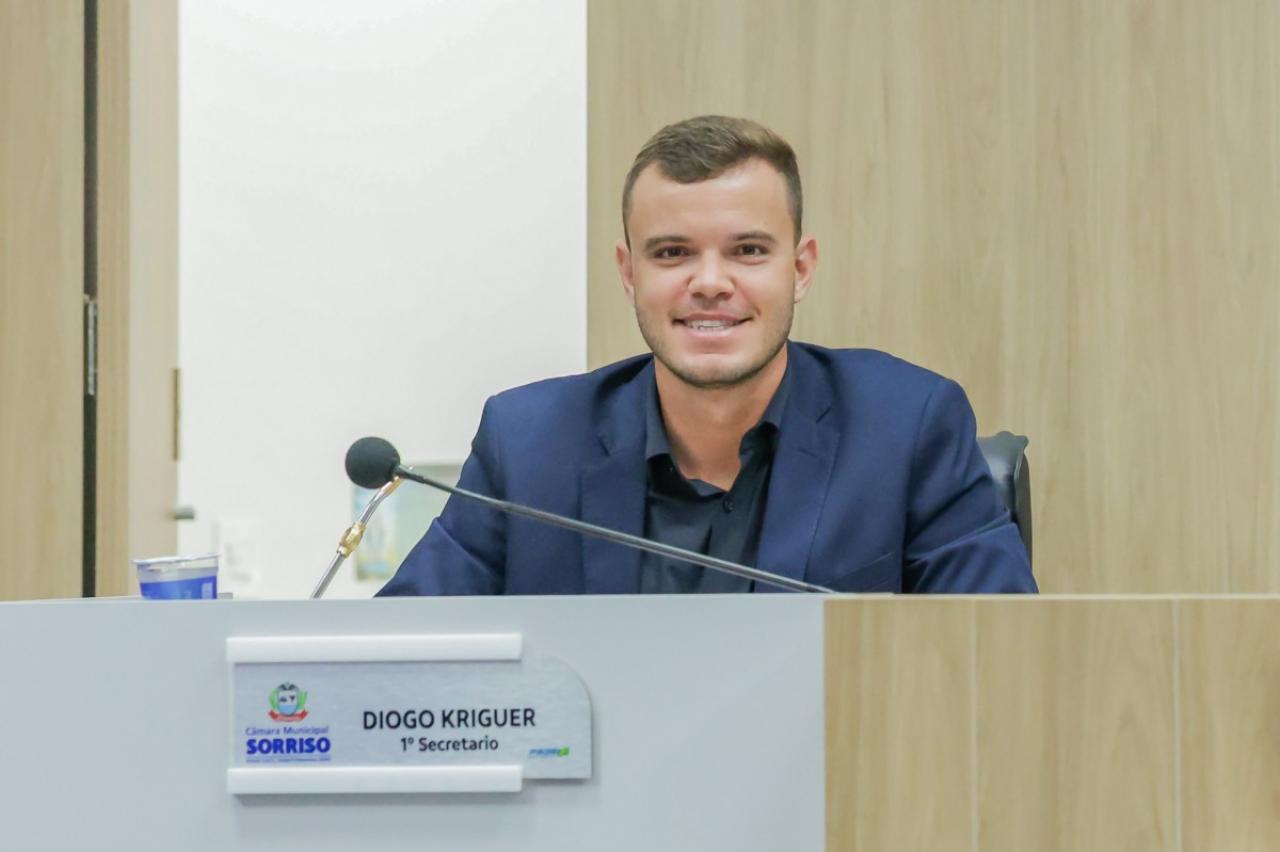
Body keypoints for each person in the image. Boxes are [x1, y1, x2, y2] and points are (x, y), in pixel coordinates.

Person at [379, 116, 1036, 596]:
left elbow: (995, 662)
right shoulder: (528, 444)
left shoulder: (907, 427)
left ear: (801, 269)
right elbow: (398, 663)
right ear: (629, 273)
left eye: (748, 251)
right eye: (673, 253)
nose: (711, 282)